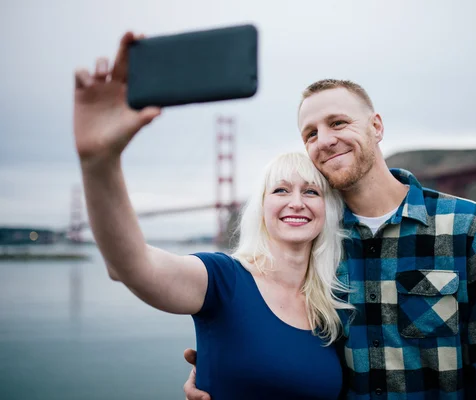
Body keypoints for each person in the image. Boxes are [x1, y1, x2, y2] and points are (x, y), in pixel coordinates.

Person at [184, 79, 476, 399]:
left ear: (376, 126)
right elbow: (276, 330)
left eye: (337, 123)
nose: (324, 140)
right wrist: (222, 371)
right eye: (310, 134)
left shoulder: (465, 225)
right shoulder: (311, 236)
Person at [73, 32, 354, 399]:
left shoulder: (334, 304)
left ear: (326, 210)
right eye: (281, 190)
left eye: (311, 191)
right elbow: (131, 266)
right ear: (261, 207)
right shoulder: (223, 281)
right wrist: (100, 161)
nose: (296, 203)